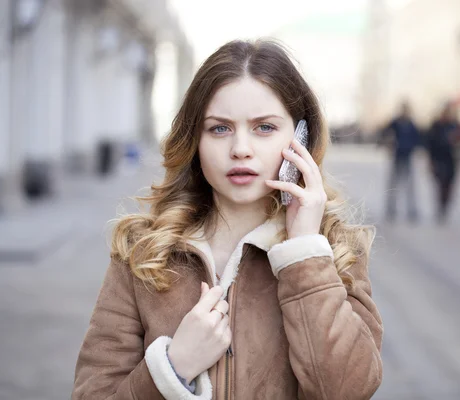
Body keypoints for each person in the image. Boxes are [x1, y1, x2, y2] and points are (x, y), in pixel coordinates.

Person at [72, 40, 383, 399]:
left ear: (301, 137)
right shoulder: (142, 251)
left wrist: (303, 255)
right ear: (195, 141)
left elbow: (347, 390)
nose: (240, 148)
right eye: (219, 128)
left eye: (264, 127)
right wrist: (173, 369)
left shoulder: (335, 249)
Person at [377, 101, 421, 223]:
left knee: (409, 186)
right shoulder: (395, 123)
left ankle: (411, 210)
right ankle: (391, 209)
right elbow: (384, 134)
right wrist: (389, 143)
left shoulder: (411, 124)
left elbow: (417, 139)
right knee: (393, 185)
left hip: (407, 157)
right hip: (397, 157)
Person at [425, 103, 460, 223]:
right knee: (440, 184)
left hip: (451, 160)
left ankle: (445, 206)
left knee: (449, 185)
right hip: (439, 159)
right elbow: (430, 143)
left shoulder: (455, 126)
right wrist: (430, 161)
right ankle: (441, 207)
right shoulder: (436, 126)